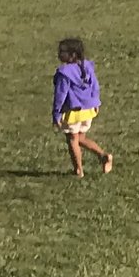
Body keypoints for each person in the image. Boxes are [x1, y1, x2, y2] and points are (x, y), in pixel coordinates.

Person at [52, 36, 113, 177]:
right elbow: (95, 86)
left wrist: (56, 113)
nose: (59, 54)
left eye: (62, 52)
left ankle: (78, 170)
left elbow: (60, 94)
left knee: (72, 139)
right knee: (80, 138)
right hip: (88, 109)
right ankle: (103, 156)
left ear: (72, 55)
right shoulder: (87, 67)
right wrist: (96, 102)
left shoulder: (64, 73)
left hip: (73, 111)